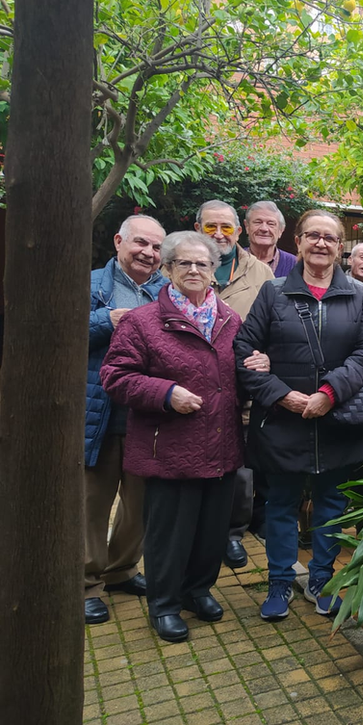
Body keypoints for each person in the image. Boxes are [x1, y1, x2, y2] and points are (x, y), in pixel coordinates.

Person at [100, 231, 248, 643]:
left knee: (211, 531)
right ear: (166, 269)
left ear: (215, 270)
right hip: (170, 449)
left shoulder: (230, 320)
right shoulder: (141, 322)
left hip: (221, 445)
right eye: (184, 263)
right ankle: (164, 604)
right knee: (170, 534)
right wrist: (165, 393)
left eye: (203, 263)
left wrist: (260, 364)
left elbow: (240, 375)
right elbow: (115, 377)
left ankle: (196, 590)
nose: (195, 270)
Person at [235, 210, 363, 621]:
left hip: (337, 423)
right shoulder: (273, 293)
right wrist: (284, 397)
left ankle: (321, 579)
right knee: (280, 504)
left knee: (332, 503)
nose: (320, 243)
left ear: (340, 247)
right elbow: (244, 352)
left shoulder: (359, 295)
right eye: (312, 235)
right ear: (296, 242)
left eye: (329, 238)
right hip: (283, 423)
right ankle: (280, 581)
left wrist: (329, 394)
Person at [84, 215, 167, 625]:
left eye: (155, 248)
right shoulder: (90, 283)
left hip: (143, 418)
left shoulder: (162, 291)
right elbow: (56, 330)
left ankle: (120, 570)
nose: (148, 253)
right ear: (119, 241)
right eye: (140, 243)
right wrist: (108, 321)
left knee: (139, 505)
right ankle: (85, 583)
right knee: (92, 504)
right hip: (97, 413)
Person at [194, 199, 274, 568]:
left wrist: (270, 359)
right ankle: (193, 534)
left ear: (238, 231)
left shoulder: (261, 275)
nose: (219, 234)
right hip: (191, 387)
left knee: (240, 467)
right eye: (211, 227)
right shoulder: (184, 266)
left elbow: (277, 327)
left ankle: (232, 534)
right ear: (198, 229)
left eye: (226, 227)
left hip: (241, 387)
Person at [245, 200, 296, 278]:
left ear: (281, 230)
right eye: (258, 222)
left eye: (271, 224)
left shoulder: (295, 265)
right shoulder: (233, 261)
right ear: (247, 227)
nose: (264, 229)